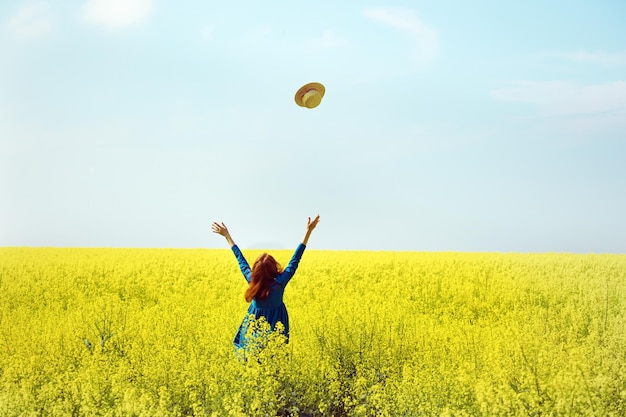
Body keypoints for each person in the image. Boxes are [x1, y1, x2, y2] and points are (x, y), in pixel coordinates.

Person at [211, 215, 320, 350]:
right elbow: (295, 260)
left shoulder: (252, 280)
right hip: (276, 328)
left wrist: (227, 236)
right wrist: (308, 232)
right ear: (274, 268)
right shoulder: (280, 283)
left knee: (249, 356)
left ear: (255, 270)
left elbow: (241, 260)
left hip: (253, 329)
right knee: (274, 358)